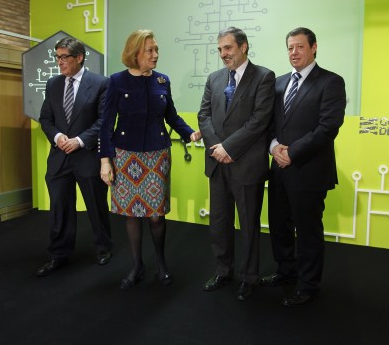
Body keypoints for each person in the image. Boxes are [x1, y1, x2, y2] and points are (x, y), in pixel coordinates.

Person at [99, 29, 201, 289]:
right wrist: (105, 160)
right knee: (131, 215)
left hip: (157, 155)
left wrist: (189, 133)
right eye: (150, 50)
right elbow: (106, 125)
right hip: (125, 155)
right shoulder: (116, 81)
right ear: (135, 53)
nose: (156, 55)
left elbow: (172, 117)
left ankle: (160, 262)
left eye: (156, 50)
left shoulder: (162, 81)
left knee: (156, 215)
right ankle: (136, 266)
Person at [260, 27, 346, 306]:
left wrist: (292, 153)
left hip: (308, 170)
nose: (293, 53)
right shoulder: (279, 83)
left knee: (308, 230)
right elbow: (270, 124)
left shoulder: (331, 82)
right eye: (289, 48)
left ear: (313, 48)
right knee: (279, 225)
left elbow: (328, 127)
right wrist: (274, 147)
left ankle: (308, 285)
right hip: (279, 169)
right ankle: (286, 271)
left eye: (299, 47)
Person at [197, 27, 275, 301]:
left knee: (248, 225)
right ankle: (223, 270)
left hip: (246, 164)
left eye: (227, 48)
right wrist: (218, 148)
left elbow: (259, 120)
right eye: (219, 50)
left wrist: (229, 147)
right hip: (218, 164)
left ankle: (249, 278)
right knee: (219, 223)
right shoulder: (214, 78)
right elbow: (203, 115)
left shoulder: (264, 77)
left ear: (243, 47)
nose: (223, 54)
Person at [36, 37, 113, 277]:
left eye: (63, 57)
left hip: (88, 156)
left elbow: (104, 121)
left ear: (79, 57)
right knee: (60, 208)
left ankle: (103, 249)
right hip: (59, 158)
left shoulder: (101, 84)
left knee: (96, 207)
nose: (59, 62)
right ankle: (59, 254)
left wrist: (79, 141)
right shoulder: (53, 84)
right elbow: (46, 119)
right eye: (57, 57)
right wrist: (58, 136)